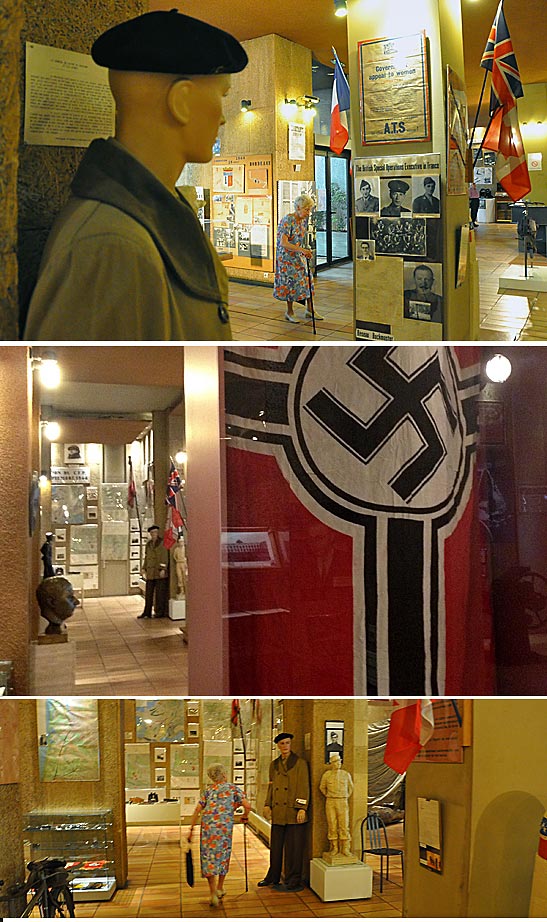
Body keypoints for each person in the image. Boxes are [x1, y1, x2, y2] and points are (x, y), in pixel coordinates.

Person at [23, 10, 248, 341]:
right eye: (222, 94)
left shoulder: (143, 219)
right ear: (182, 101)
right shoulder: (111, 245)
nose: (223, 119)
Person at [188, 763, 251, 907]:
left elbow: (197, 809)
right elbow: (247, 805)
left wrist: (191, 829)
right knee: (223, 856)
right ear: (224, 774)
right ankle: (220, 887)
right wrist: (245, 816)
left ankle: (213, 894)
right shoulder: (233, 788)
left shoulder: (208, 791)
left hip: (208, 829)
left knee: (209, 858)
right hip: (224, 829)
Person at [258, 732, 310, 892]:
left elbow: (304, 786)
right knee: (275, 847)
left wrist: (302, 807)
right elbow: (272, 786)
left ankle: (294, 879)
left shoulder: (300, 763)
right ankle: (272, 876)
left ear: (291, 744)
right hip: (278, 811)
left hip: (294, 812)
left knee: (295, 848)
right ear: (278, 746)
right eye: (282, 744)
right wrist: (267, 804)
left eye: (287, 743)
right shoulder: (273, 765)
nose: (285, 746)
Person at [273, 194, 323, 324]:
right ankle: (289, 312)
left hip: (297, 255)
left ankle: (310, 310)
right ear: (298, 208)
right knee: (291, 284)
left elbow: (299, 239)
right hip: (286, 258)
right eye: (306, 209)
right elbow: (284, 243)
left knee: (308, 279)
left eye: (309, 209)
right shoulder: (287, 220)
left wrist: (305, 250)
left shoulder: (303, 220)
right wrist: (301, 250)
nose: (308, 212)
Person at [319, 754, 354, 857]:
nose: (338, 763)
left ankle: (345, 848)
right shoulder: (327, 775)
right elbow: (322, 787)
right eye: (335, 762)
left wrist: (345, 796)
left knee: (344, 825)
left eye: (339, 761)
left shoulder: (346, 774)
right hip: (331, 801)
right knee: (332, 825)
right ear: (331, 764)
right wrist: (329, 795)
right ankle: (334, 847)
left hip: (342, 801)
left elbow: (351, 788)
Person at [138, 525, 169, 619]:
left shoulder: (162, 543)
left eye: (155, 532)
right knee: (149, 593)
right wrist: (143, 568)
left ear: (157, 532)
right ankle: (146, 612)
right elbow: (147, 557)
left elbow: (164, 557)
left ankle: (160, 612)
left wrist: (163, 569)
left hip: (159, 572)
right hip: (151, 572)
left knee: (160, 594)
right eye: (152, 533)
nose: (153, 534)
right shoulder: (149, 544)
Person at [173, 533, 187, 599]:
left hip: (184, 563)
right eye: (180, 542)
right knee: (179, 577)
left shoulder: (185, 549)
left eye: (182, 542)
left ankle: (186, 591)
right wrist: (177, 560)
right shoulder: (176, 549)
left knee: (184, 577)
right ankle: (182, 591)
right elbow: (174, 556)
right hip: (178, 563)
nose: (181, 543)